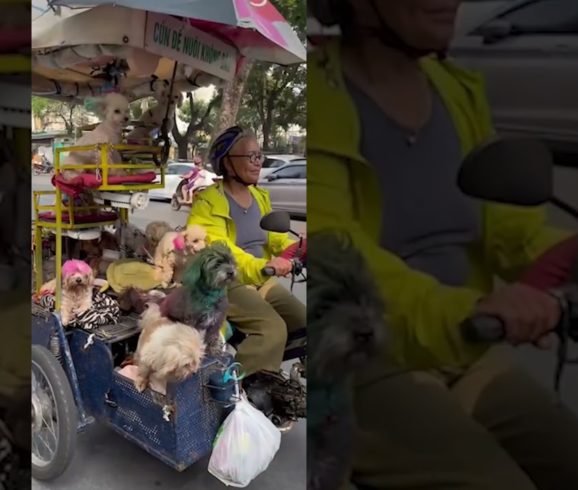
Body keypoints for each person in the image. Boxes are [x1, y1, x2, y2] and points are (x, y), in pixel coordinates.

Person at [308, 0, 578, 489]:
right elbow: (337, 254)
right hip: (368, 360)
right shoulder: (321, 97)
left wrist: (565, 253)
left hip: (468, 345)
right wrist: (469, 310)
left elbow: (507, 229)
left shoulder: (456, 88)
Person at [187, 126, 307, 376]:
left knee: (304, 321)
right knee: (272, 330)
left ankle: (265, 368)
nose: (258, 163)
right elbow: (220, 249)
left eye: (259, 156)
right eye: (251, 157)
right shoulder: (207, 201)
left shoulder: (260, 196)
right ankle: (237, 392)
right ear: (228, 163)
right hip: (226, 281)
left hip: (260, 278)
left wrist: (299, 249)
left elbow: (275, 239)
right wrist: (262, 267)